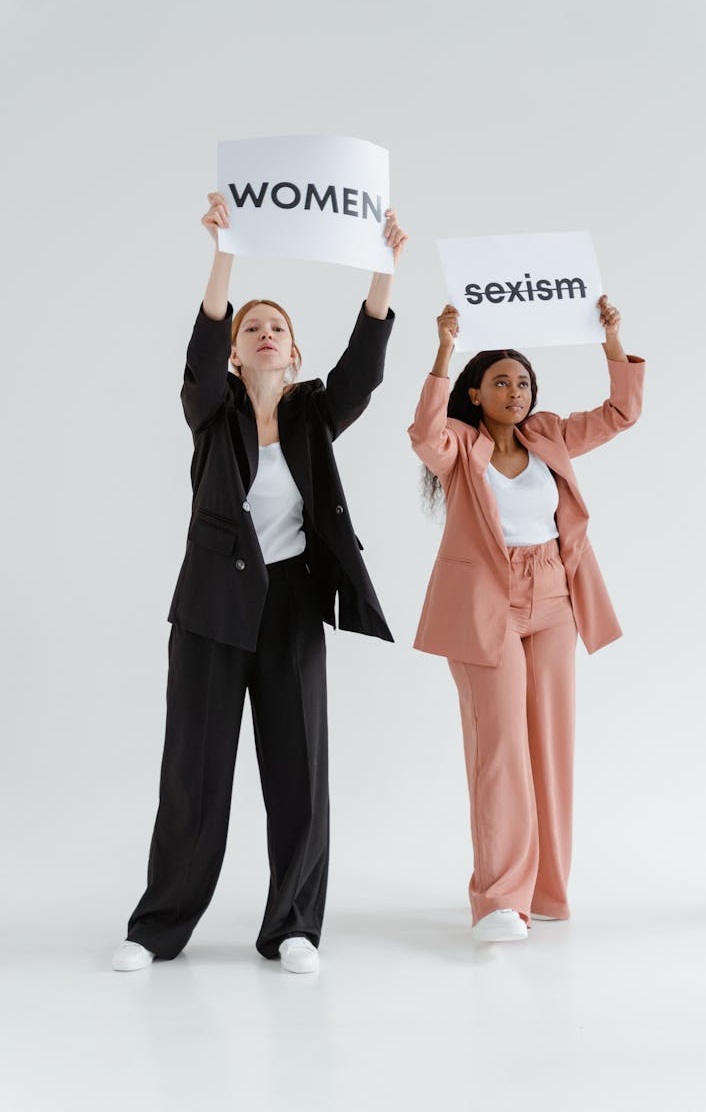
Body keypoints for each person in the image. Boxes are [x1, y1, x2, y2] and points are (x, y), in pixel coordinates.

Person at [113, 192, 407, 973]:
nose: (265, 332)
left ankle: (295, 927)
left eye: (277, 325)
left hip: (291, 607)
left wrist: (383, 269)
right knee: (195, 773)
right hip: (212, 610)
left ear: (294, 351)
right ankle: (157, 928)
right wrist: (226, 253)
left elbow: (365, 369)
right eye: (252, 327)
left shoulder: (315, 414)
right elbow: (200, 355)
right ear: (238, 353)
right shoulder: (211, 413)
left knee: (299, 772)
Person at [408, 298, 643, 942]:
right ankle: (498, 900)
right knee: (500, 747)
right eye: (502, 382)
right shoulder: (461, 446)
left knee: (550, 742)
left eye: (524, 382)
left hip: (555, 596)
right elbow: (425, 434)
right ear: (476, 394)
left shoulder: (550, 435)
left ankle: (546, 892)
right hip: (487, 602)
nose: (516, 391)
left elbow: (623, 412)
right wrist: (443, 350)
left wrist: (613, 340)